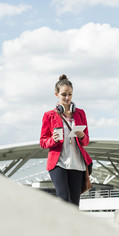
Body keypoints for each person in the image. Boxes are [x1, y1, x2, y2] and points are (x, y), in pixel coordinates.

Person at [40, 74, 92, 206]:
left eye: (70, 94)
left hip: (77, 164)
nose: (67, 98)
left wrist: (81, 136)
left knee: (74, 205)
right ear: (56, 94)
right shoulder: (49, 115)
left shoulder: (80, 113)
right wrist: (53, 140)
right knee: (64, 200)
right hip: (58, 163)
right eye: (64, 94)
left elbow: (86, 141)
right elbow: (42, 142)